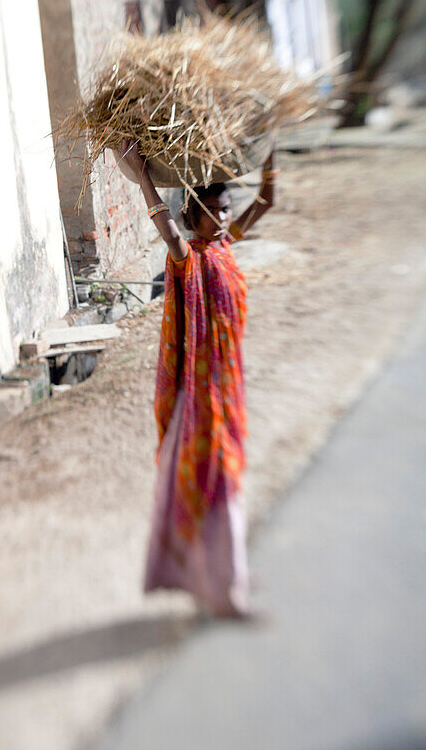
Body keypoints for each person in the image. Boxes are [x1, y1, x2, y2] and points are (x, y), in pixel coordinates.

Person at [119, 139, 278, 618]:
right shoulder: (188, 258)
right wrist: (142, 173)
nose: (224, 216)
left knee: (221, 482)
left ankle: (224, 574)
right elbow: (167, 231)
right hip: (201, 397)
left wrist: (270, 149)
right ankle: (226, 592)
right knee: (219, 483)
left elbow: (268, 200)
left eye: (226, 208)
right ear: (193, 216)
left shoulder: (227, 248)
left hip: (228, 389)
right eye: (212, 211)